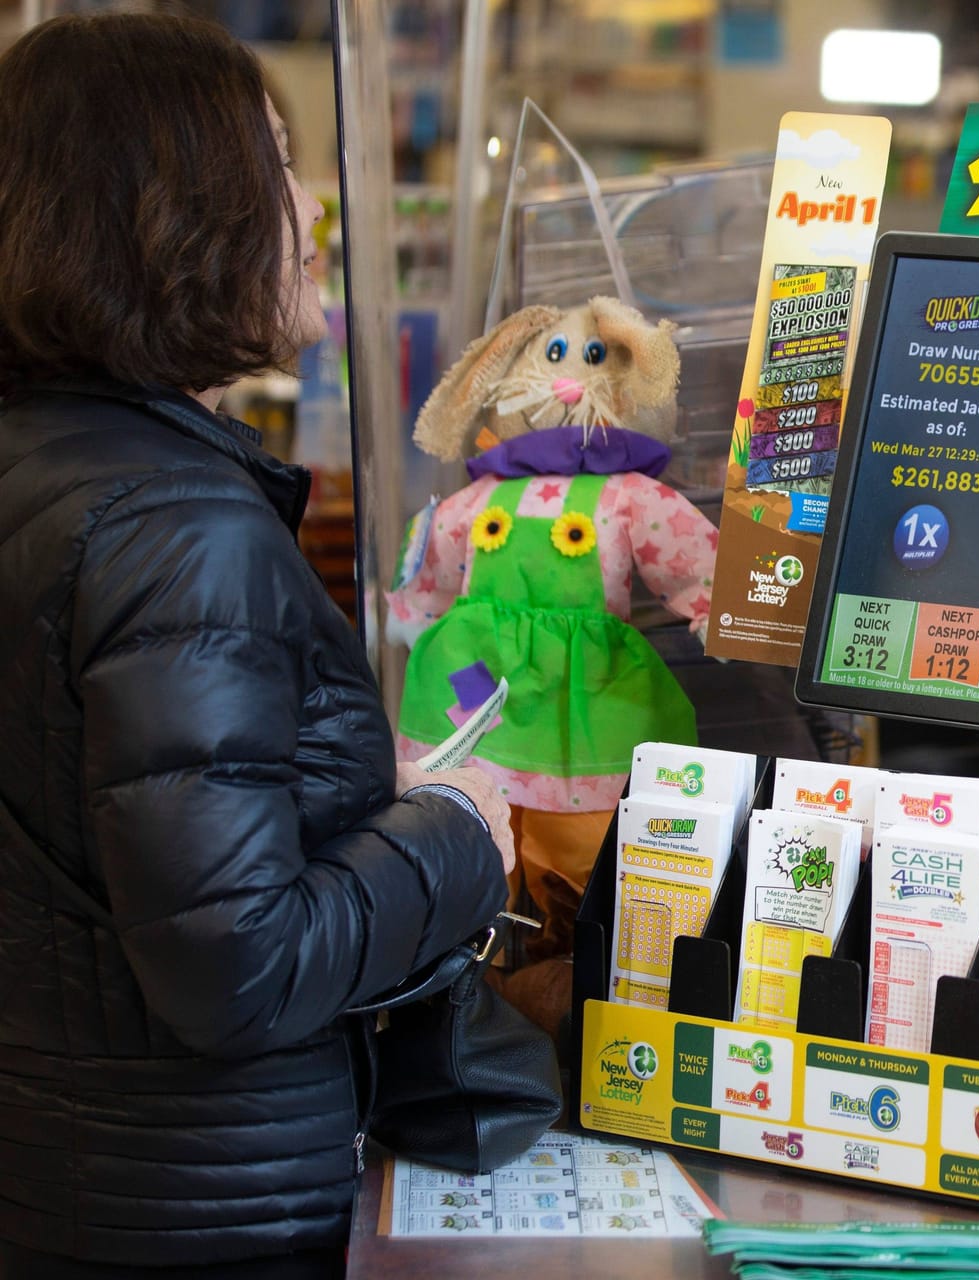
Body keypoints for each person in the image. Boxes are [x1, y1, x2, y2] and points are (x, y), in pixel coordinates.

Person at [0, 15, 515, 1278]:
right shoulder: (180, 526)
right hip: (193, 1215)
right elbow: (238, 964)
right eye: (279, 161)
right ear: (178, 214)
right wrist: (454, 831)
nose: (309, 208)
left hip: (62, 1181)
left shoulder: (45, 464)